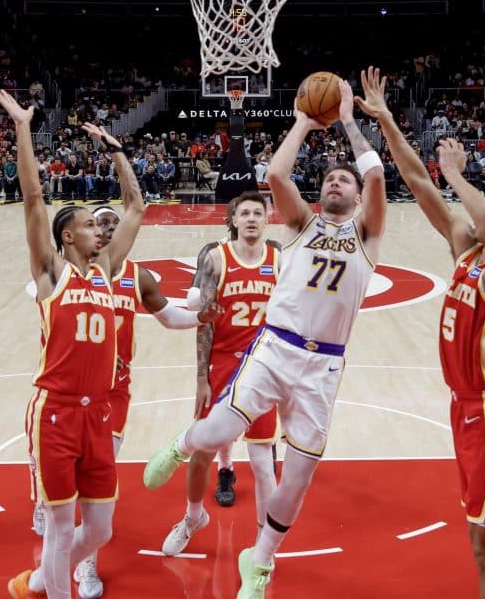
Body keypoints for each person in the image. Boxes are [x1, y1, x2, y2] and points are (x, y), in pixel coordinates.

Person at [143, 72, 387, 598]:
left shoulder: (367, 235)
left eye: (344, 180)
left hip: (323, 368)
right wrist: (302, 120)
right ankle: (181, 446)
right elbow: (276, 174)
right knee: (210, 435)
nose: (335, 184)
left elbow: (376, 179)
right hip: (275, 349)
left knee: (295, 480)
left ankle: (260, 562)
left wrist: (347, 118)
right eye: (328, 180)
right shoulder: (301, 225)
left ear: (356, 193)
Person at [363, 66, 485, 599]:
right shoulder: (469, 250)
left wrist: (457, 176)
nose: (482, 207)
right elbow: (418, 184)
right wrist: (386, 123)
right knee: (478, 537)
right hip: (465, 408)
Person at [0, 89, 147, 599]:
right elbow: (34, 197)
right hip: (55, 414)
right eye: (88, 224)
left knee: (99, 529)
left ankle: (40, 580)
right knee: (60, 530)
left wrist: (117, 150)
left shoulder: (106, 272)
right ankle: (52, 585)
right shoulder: (50, 274)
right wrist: (22, 127)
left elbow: (135, 207)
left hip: (99, 415)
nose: (100, 230)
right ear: (66, 238)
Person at [32, 204, 224, 597]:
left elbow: (171, 317)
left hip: (112, 393)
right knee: (65, 513)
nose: (104, 231)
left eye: (110, 225)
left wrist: (203, 316)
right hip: (67, 394)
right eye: (97, 223)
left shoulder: (136, 276)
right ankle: (76, 562)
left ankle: (74, 556)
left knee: (97, 494)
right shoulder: (72, 275)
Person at [159, 191, 282, 558]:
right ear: (232, 220)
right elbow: (204, 323)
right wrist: (201, 377)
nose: (250, 219)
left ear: (266, 219)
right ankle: (192, 517)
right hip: (224, 363)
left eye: (257, 213)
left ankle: (264, 547)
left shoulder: (280, 260)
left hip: (264, 367)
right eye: (243, 213)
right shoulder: (216, 258)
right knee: (202, 452)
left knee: (263, 463)